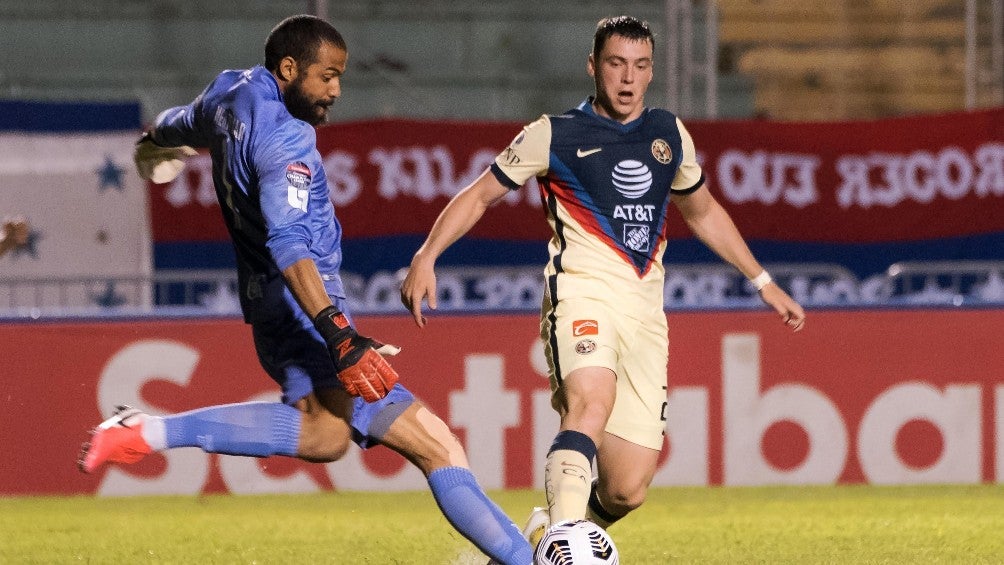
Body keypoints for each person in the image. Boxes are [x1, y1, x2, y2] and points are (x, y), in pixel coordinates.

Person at [77, 15, 533, 565]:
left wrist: (154, 141)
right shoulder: (287, 139)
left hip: (270, 312)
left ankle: (145, 431)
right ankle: (525, 559)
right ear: (289, 69)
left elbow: (185, 123)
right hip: (306, 309)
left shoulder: (230, 92)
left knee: (325, 437)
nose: (336, 91)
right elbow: (289, 242)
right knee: (437, 446)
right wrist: (339, 335)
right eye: (327, 77)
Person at [400, 15, 806, 546]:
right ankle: (565, 549)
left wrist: (762, 280)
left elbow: (702, 212)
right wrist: (428, 254)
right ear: (594, 67)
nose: (627, 78)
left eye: (639, 66)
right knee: (590, 403)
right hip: (581, 293)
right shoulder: (554, 134)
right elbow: (479, 194)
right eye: (616, 64)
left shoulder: (668, 133)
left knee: (626, 490)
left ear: (652, 72)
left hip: (645, 313)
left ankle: (544, 534)